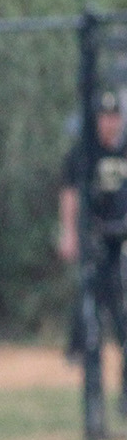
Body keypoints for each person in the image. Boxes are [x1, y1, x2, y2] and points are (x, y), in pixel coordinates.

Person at [57, 89, 127, 415]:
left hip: (121, 238)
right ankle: (79, 350)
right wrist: (69, 232)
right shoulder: (84, 153)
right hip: (96, 239)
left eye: (115, 116)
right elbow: (70, 193)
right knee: (96, 293)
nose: (110, 122)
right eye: (105, 116)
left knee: (117, 304)